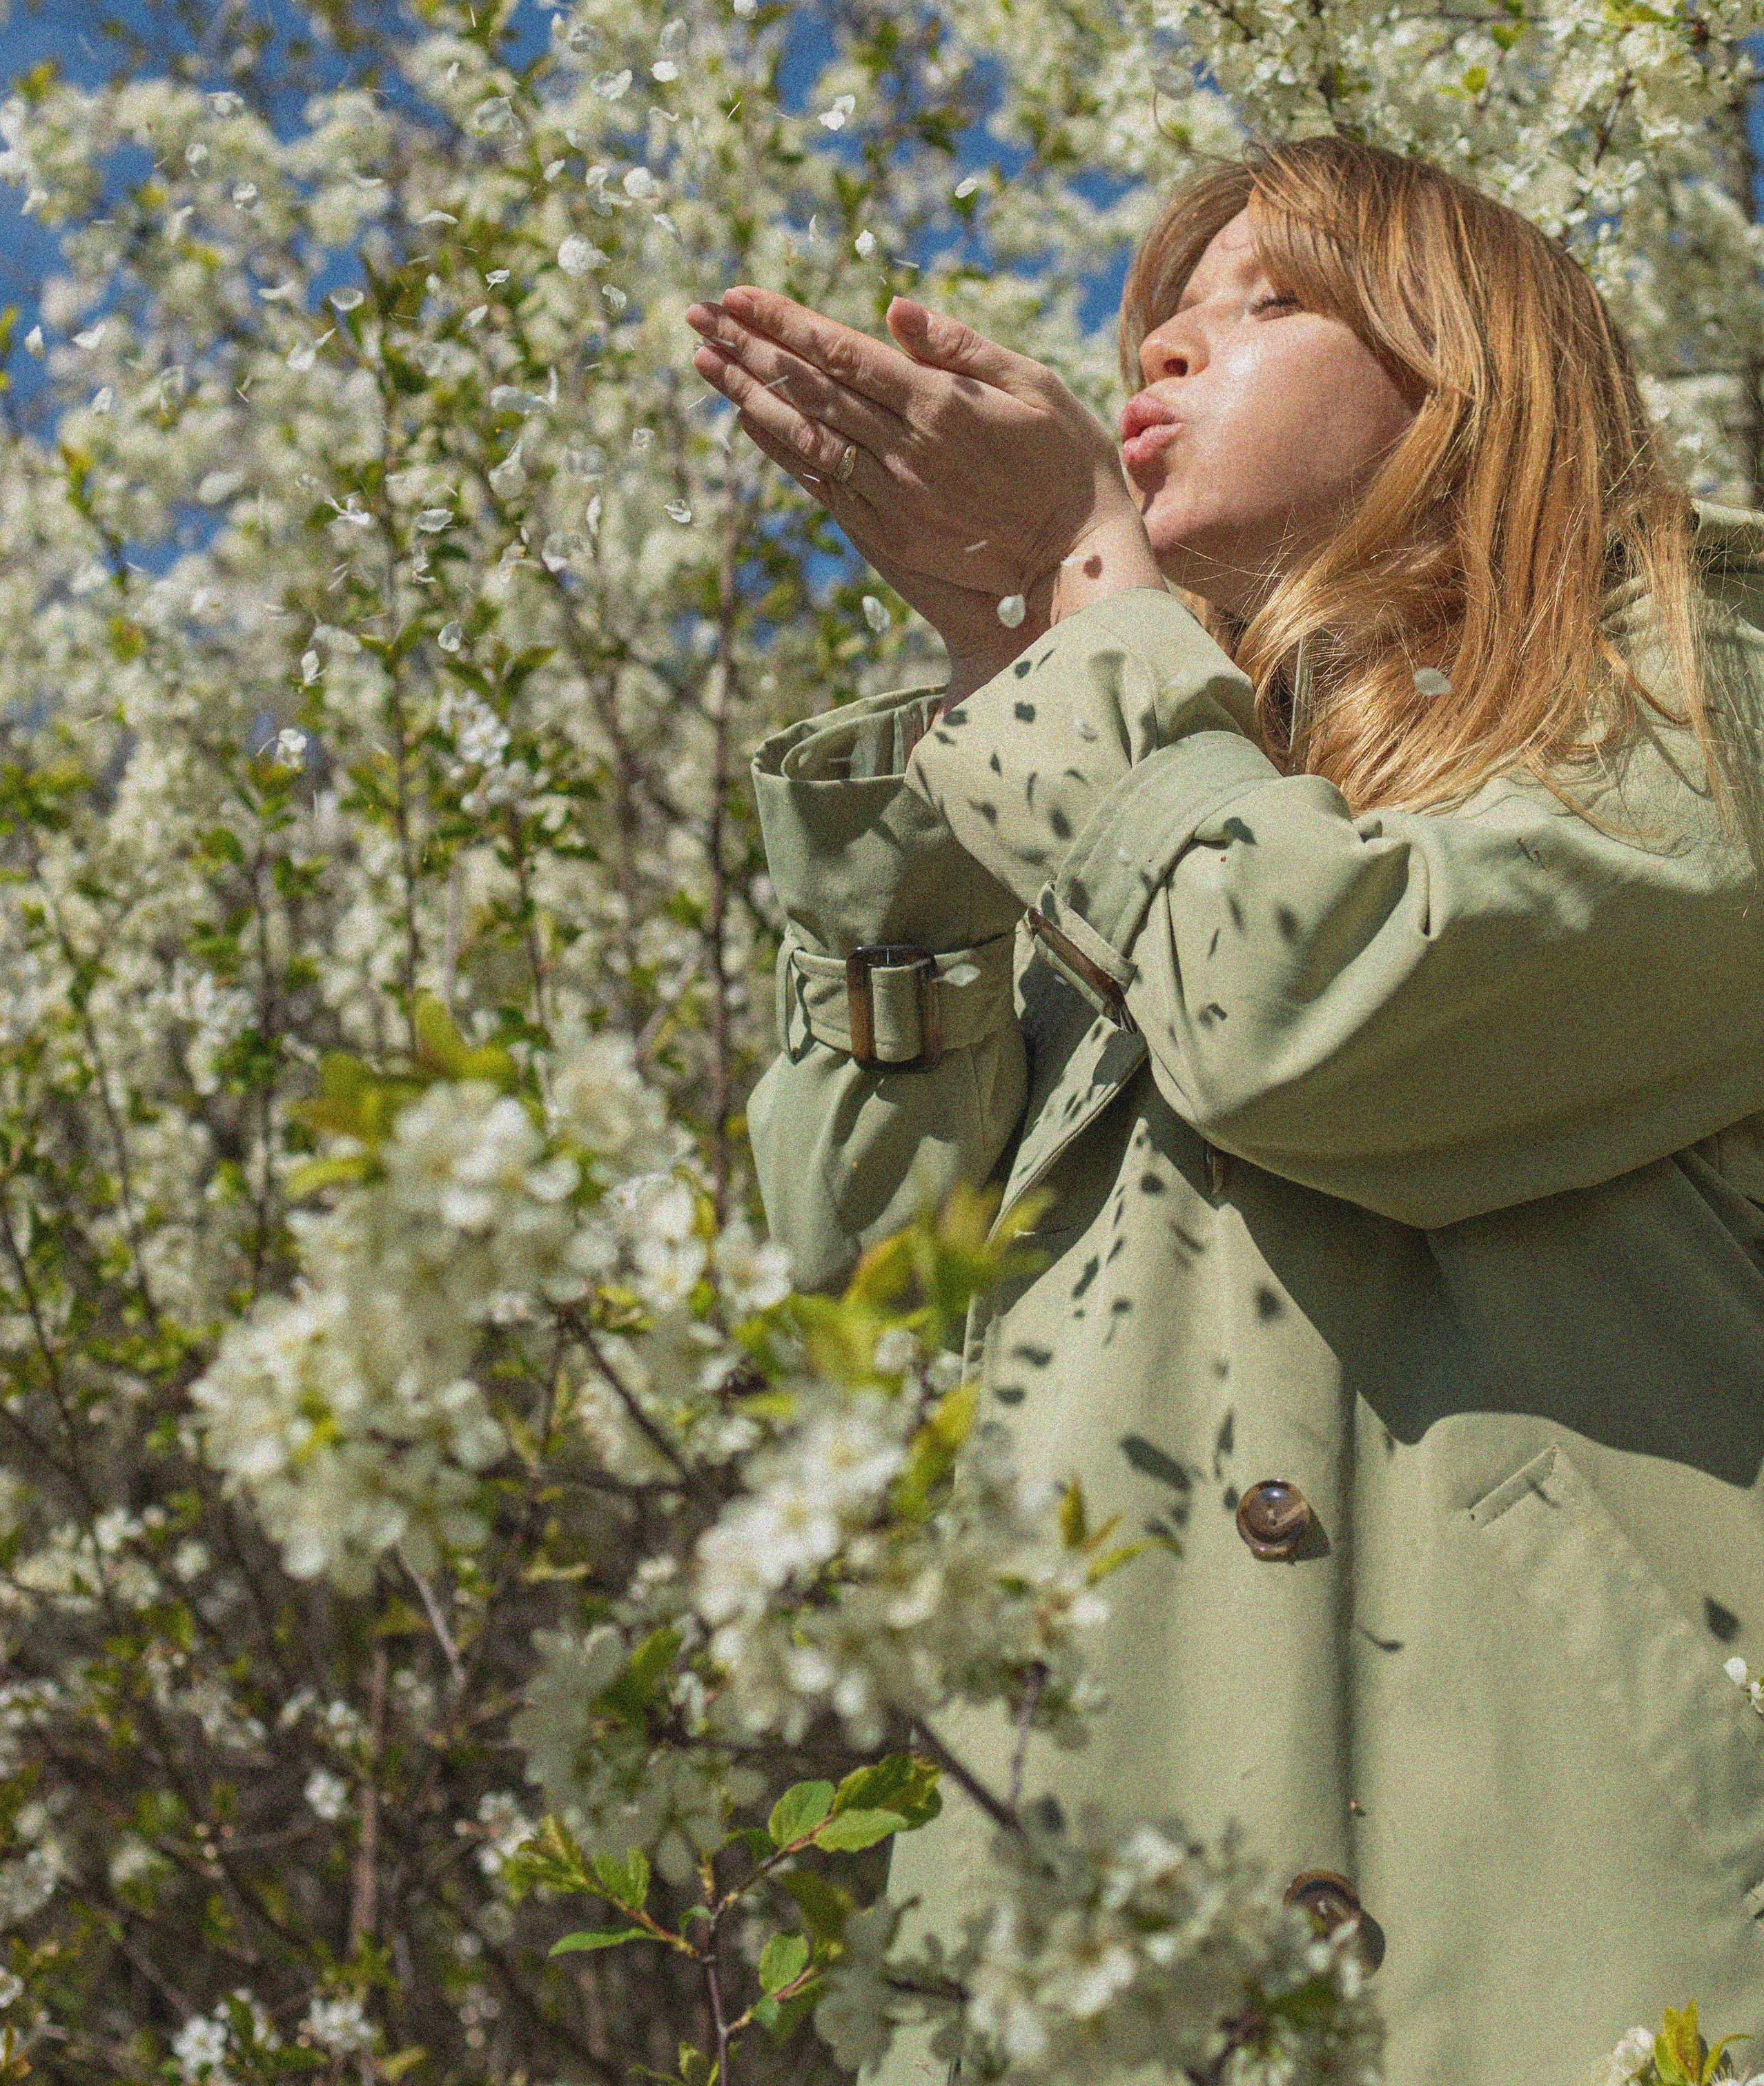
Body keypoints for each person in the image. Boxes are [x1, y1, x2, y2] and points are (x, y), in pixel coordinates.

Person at [683, 135, 1764, 2086]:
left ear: (1471, 385)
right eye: (1153, 327)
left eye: (1267, 305)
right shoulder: (1130, 819)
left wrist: (1083, 605)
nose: (1167, 353)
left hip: (1588, 1954)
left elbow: (1304, 1012)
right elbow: (851, 1293)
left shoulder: (1693, 694)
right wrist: (990, 672)